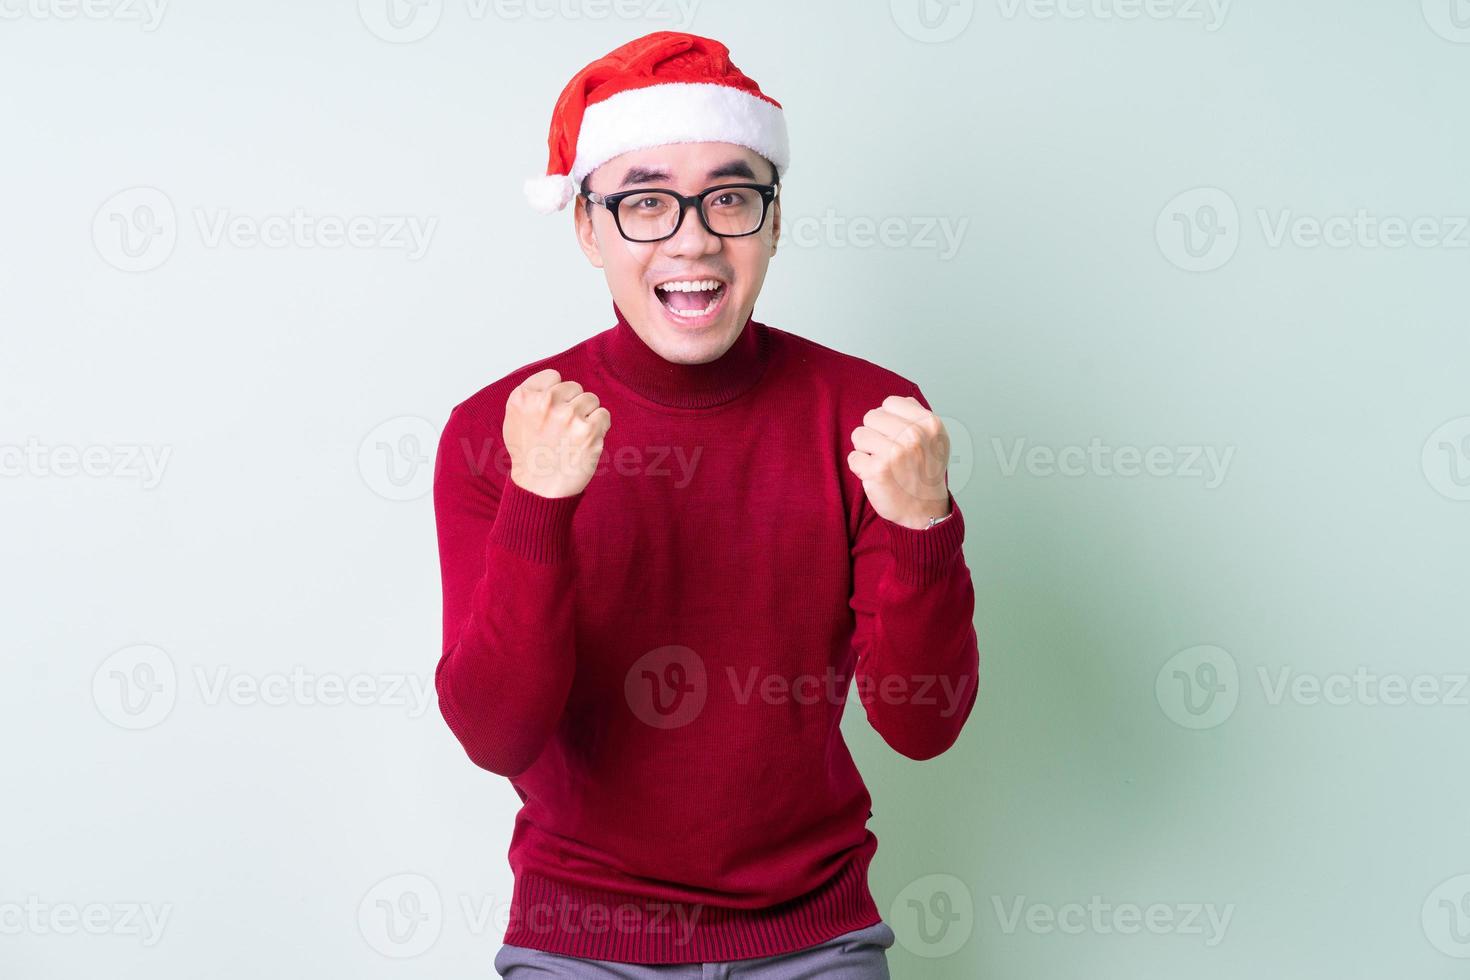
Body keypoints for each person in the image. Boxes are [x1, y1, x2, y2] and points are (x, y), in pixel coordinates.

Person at [432, 30, 981, 978]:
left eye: (730, 197)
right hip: (581, 942)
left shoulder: (869, 417)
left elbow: (921, 728)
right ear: (587, 228)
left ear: (773, 221)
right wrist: (539, 507)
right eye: (646, 201)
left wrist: (925, 529)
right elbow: (495, 734)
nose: (693, 238)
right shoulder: (503, 430)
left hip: (813, 937)